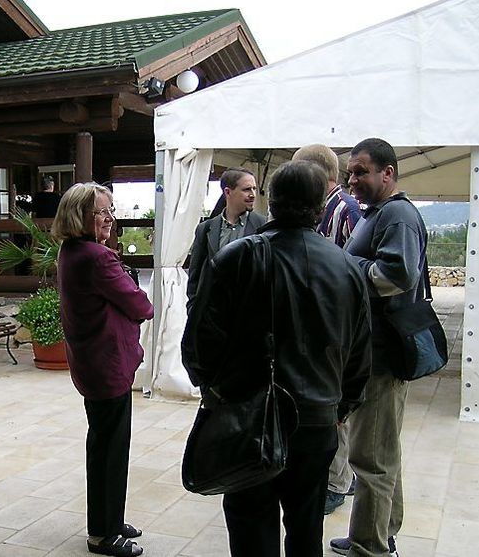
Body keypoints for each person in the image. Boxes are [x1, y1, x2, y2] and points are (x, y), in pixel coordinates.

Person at [182, 161, 372, 557]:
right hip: (318, 419)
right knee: (306, 525)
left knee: (251, 523)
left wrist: (216, 392)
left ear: (272, 201)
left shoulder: (238, 258)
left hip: (249, 415)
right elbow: (359, 353)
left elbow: (199, 343)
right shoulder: (348, 268)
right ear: (320, 207)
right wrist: (343, 405)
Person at [330, 138, 428, 557]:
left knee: (371, 457)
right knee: (382, 449)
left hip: (382, 356)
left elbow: (398, 275)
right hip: (374, 353)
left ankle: (370, 547)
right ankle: (379, 532)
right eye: (351, 172)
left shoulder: (398, 215)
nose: (353, 179)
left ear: (388, 173)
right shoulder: (383, 213)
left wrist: (345, 266)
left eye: (362, 171)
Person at [53, 182, 154, 557]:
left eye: (111, 210)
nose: (110, 218)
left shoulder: (71, 251)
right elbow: (141, 305)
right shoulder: (96, 257)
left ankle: (112, 519)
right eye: (102, 212)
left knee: (108, 445)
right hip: (106, 364)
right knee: (109, 450)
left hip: (93, 362)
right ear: (80, 216)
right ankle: (102, 534)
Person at [292, 144, 362, 515]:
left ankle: (337, 483)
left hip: (333, 327)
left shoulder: (346, 211)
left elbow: (354, 271)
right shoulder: (327, 210)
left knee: (335, 410)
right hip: (321, 325)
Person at [185, 167, 265, 307]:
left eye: (254, 189)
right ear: (228, 192)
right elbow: (195, 276)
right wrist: (193, 308)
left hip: (250, 313)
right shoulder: (205, 229)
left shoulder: (263, 225)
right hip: (214, 314)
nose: (252, 194)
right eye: (246, 189)